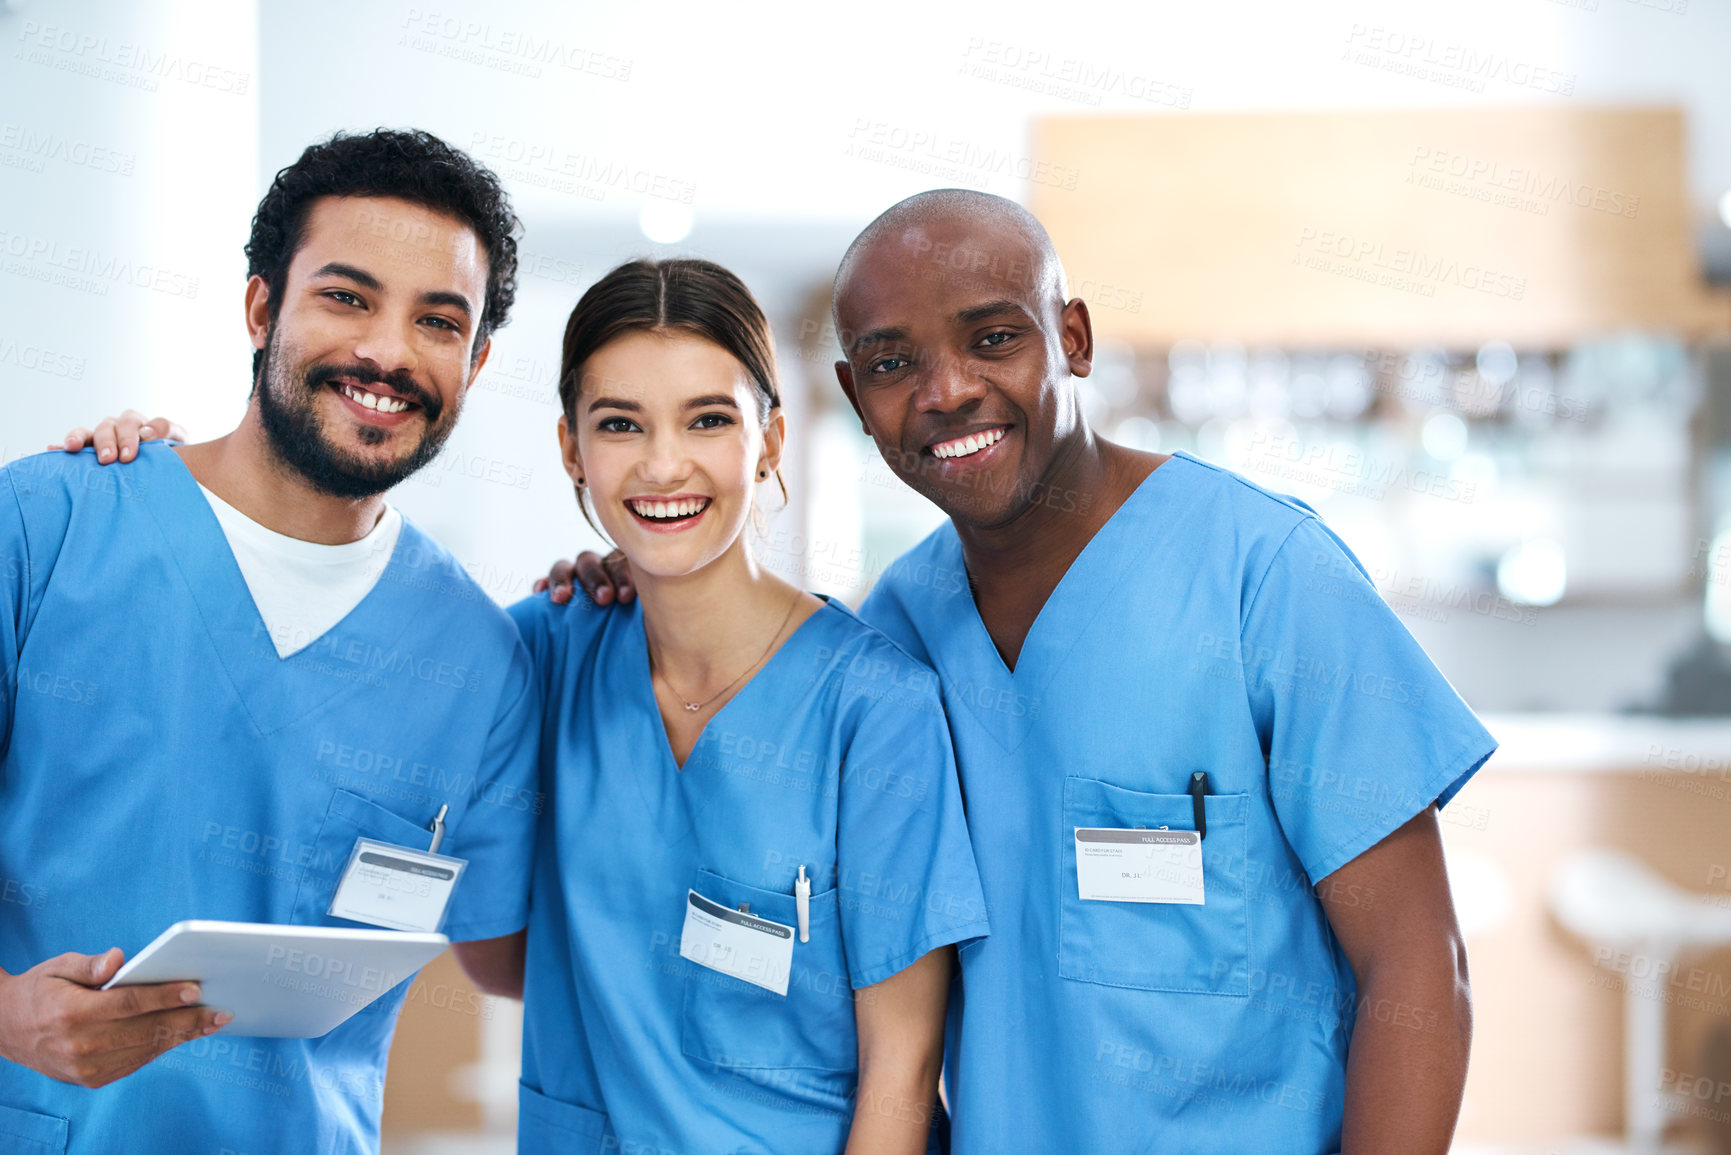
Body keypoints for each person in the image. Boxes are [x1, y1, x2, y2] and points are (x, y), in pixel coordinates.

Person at [551, 191, 1497, 1154]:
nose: (946, 389)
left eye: (993, 338)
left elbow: (1416, 968)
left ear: (1073, 338)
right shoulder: (899, 634)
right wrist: (642, 571)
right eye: (891, 363)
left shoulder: (1265, 576)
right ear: (852, 394)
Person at [2, 129, 541, 1155]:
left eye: (438, 320)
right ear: (262, 310)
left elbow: (507, 956)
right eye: (347, 297)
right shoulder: (43, 529)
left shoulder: (480, 660)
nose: (387, 351)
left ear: (475, 363)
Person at [441, 257, 985, 1155]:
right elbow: (497, 958)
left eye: (708, 419)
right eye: (620, 424)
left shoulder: (874, 709)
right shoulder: (540, 655)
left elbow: (903, 1065)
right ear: (571, 447)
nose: (662, 464)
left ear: (769, 442)